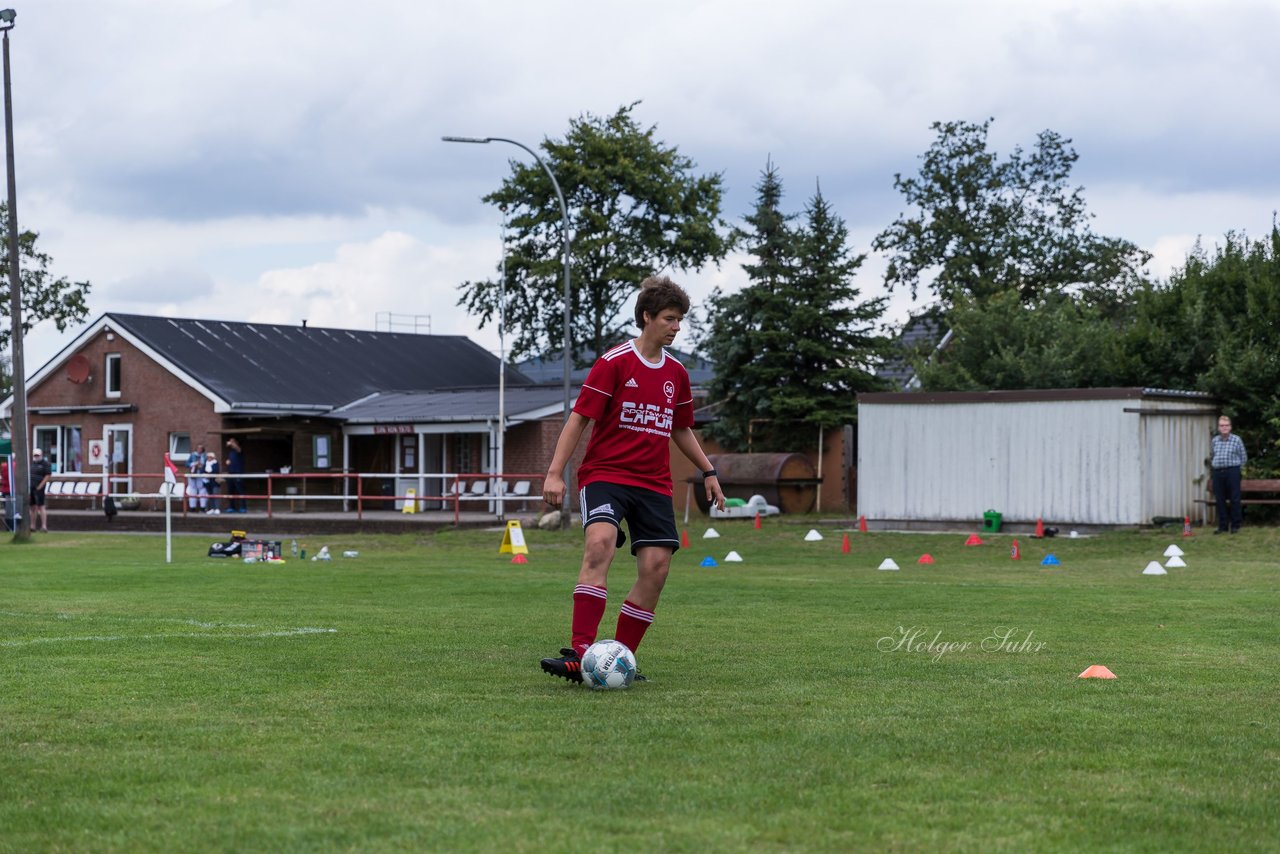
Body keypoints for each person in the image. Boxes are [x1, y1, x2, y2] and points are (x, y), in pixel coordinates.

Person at [539, 275, 725, 683]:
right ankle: (583, 654)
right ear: (647, 317)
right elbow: (579, 419)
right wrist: (555, 473)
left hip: (654, 483)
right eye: (670, 319)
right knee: (600, 545)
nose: (676, 327)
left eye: (680, 321)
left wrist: (708, 471)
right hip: (605, 476)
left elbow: (680, 429)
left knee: (657, 567)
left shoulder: (676, 374)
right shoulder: (615, 362)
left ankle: (620, 658)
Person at [1210, 415, 1247, 534]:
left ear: (1230, 427)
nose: (1224, 428)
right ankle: (1222, 526)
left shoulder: (1237, 440)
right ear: (1219, 428)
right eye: (1222, 426)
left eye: (1226, 425)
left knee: (1235, 499)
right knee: (1220, 499)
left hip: (1233, 472)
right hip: (1218, 472)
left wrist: (1237, 470)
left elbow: (1243, 457)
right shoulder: (1215, 440)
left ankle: (1235, 525)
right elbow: (1212, 455)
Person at [29, 447, 53, 533]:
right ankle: (32, 526)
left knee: (41, 506)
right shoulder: (32, 464)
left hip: (39, 488)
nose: (36, 457)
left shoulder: (45, 464)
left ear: (41, 455)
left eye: (38, 455)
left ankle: (44, 526)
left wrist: (40, 486)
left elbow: (48, 476)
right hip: (31, 488)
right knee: (32, 507)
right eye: (35, 455)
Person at [224, 437, 246, 513]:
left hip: (238, 473)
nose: (230, 443)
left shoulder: (239, 449)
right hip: (230, 473)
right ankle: (232, 507)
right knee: (231, 491)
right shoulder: (231, 452)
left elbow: (238, 449)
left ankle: (243, 507)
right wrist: (228, 462)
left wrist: (231, 443)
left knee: (240, 490)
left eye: (232, 441)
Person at [187, 444, 208, 512]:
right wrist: (194, 464)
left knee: (202, 490)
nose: (199, 449)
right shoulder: (192, 455)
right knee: (192, 491)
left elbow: (207, 464)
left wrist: (202, 466)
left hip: (201, 475)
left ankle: (202, 507)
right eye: (198, 448)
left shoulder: (205, 456)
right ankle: (192, 507)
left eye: (201, 448)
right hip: (193, 474)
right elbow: (187, 463)